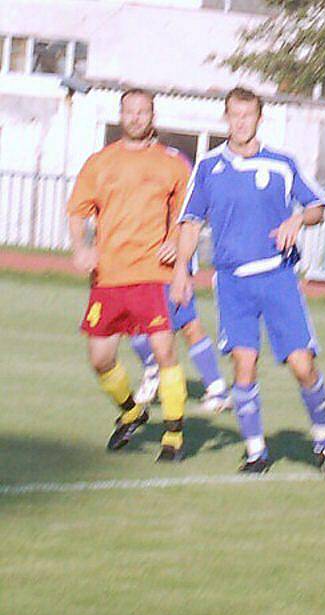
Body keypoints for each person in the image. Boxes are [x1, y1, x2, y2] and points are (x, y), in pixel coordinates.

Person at [170, 86, 325, 476]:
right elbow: (191, 222)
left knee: (303, 365)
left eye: (248, 115)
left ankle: (324, 442)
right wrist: (182, 268)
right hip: (232, 282)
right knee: (243, 366)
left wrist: (297, 219)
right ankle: (255, 452)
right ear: (226, 118)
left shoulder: (282, 163)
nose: (241, 122)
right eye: (234, 115)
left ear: (259, 119)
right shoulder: (208, 167)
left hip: (278, 278)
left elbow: (317, 207)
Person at [67, 88, 189, 462]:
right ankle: (133, 411)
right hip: (108, 276)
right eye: (130, 112)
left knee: (163, 350)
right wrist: (81, 247)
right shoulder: (99, 162)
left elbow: (190, 216)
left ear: (153, 116)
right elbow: (77, 210)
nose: (136, 118)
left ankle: (173, 435)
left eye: (143, 112)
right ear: (121, 116)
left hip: (153, 274)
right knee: (100, 359)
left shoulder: (172, 163)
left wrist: (176, 246)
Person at [130, 261, 232, 415]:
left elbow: (189, 236)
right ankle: (217, 388)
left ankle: (217, 390)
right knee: (137, 317)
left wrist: (181, 257)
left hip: (172, 261)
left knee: (184, 321)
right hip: (142, 257)